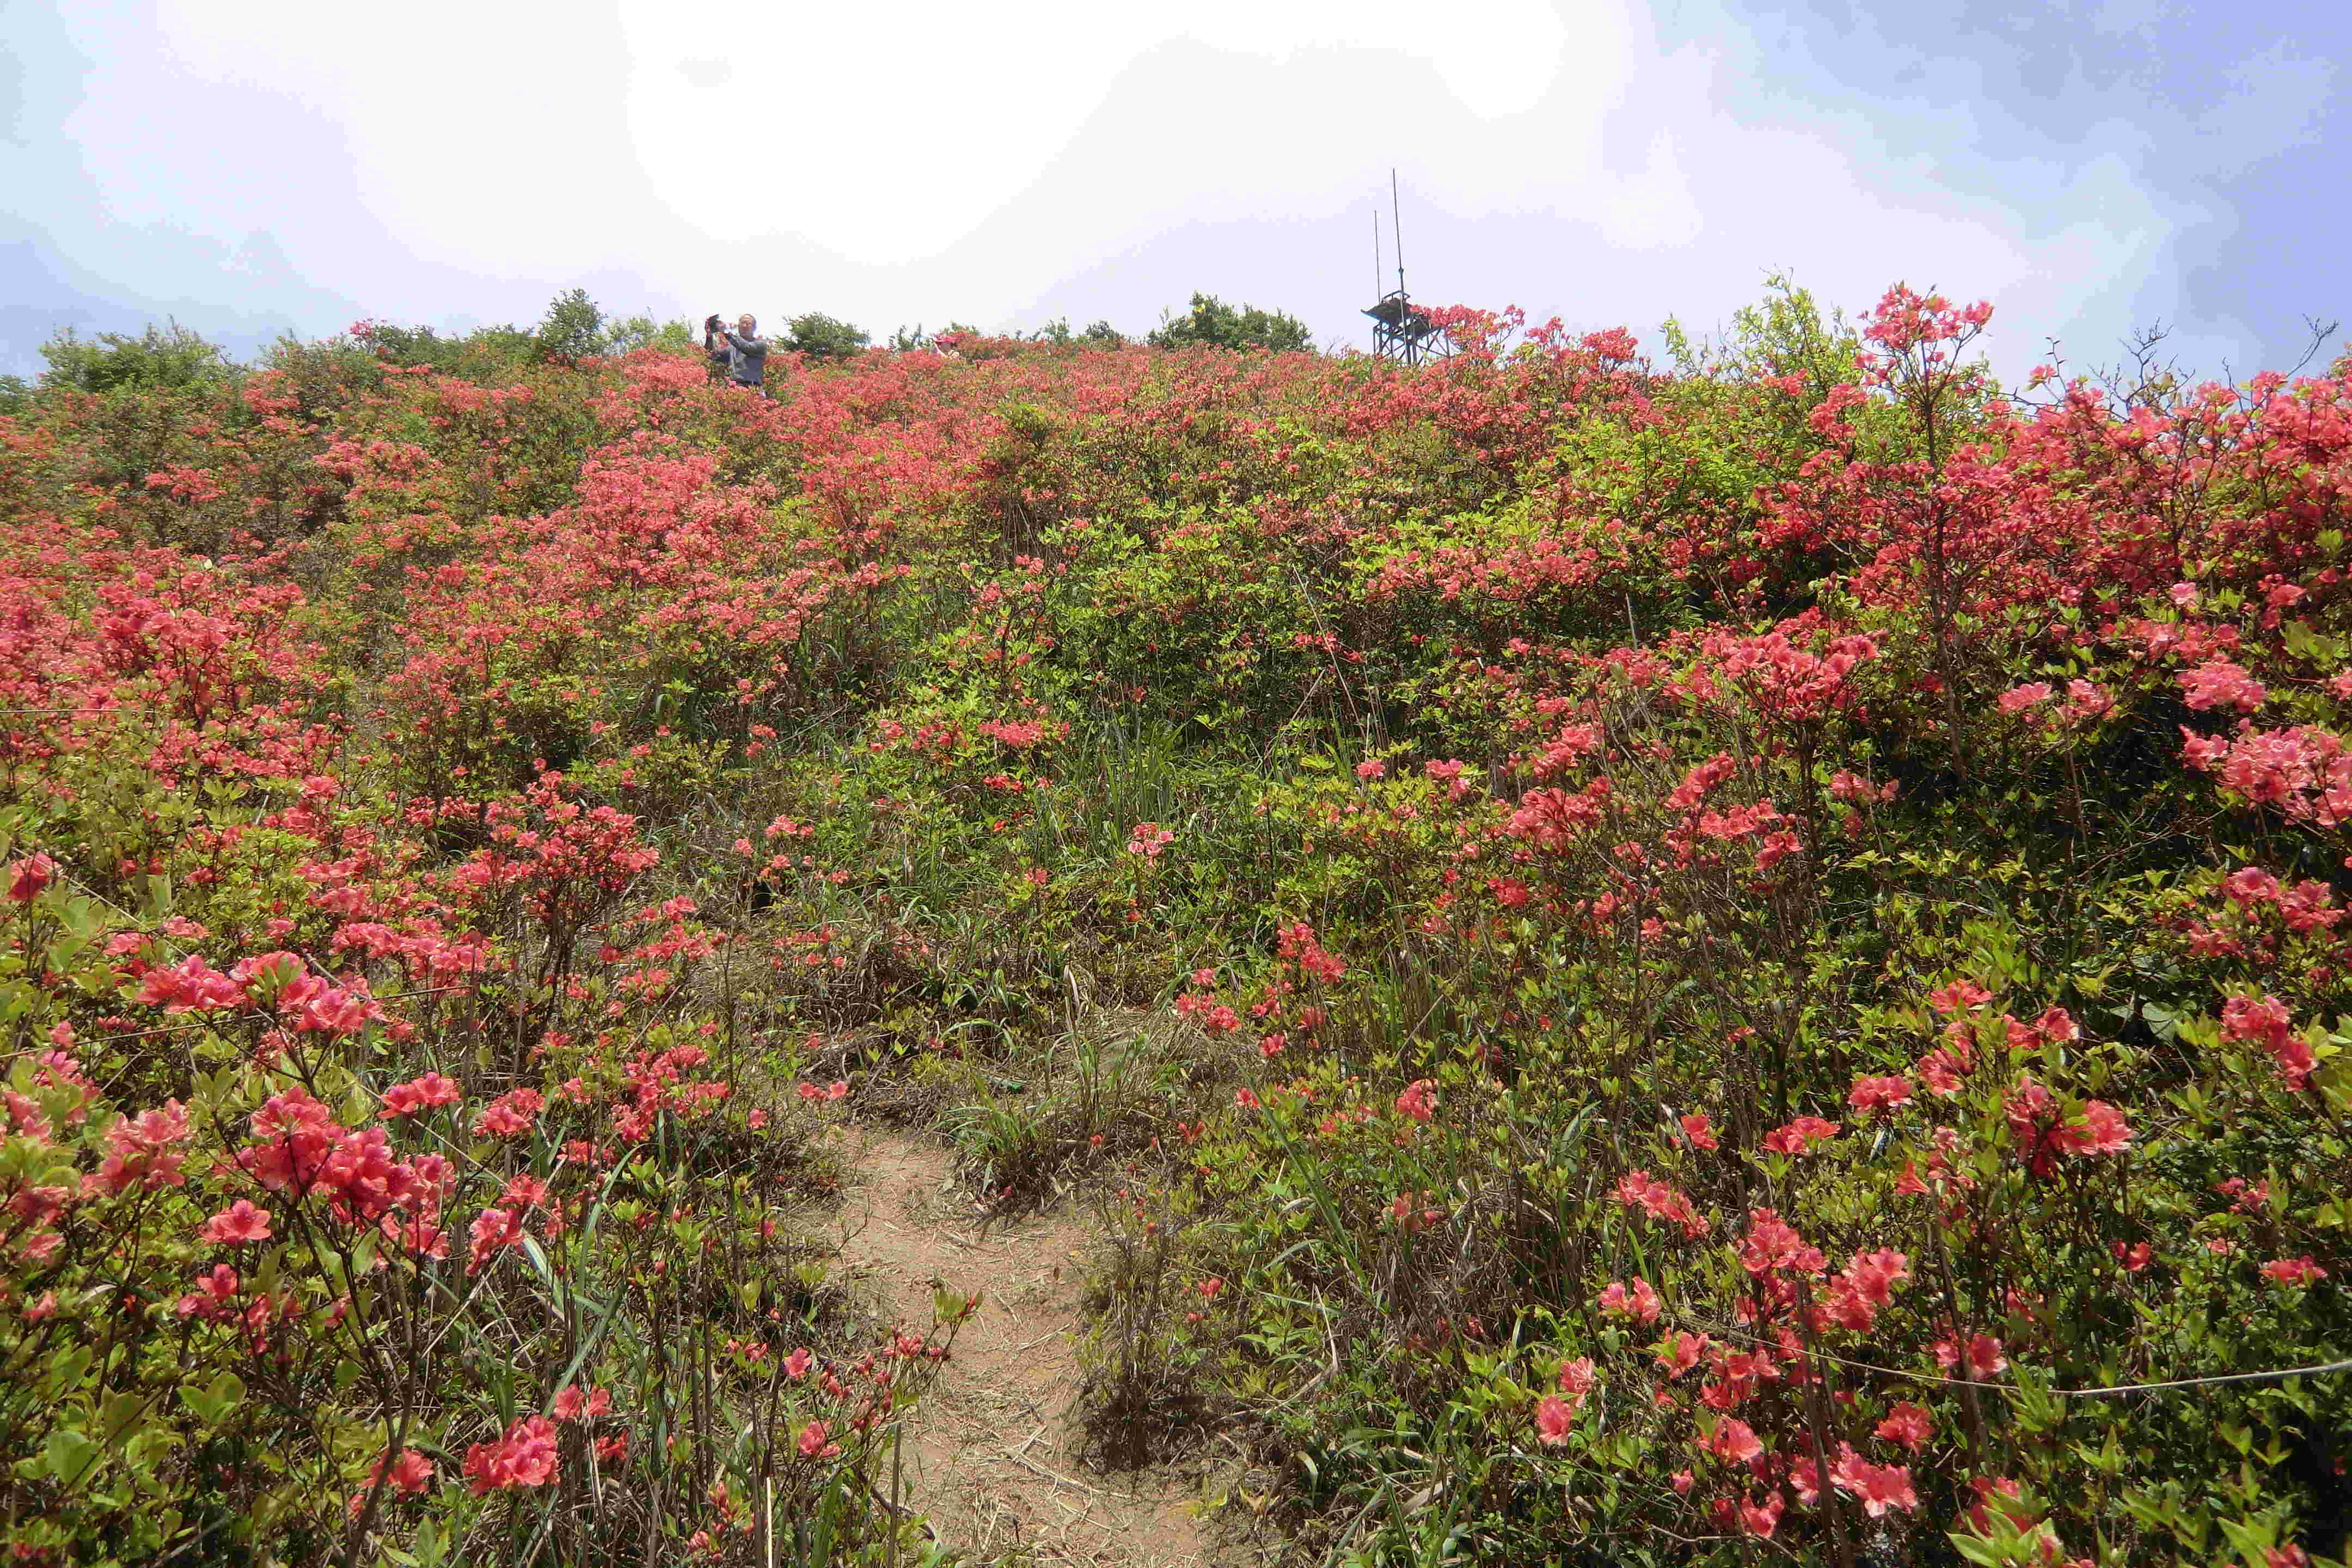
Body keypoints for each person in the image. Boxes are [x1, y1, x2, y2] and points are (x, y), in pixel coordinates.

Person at [715, 314, 769, 394]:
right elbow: (712, 355)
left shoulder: (761, 345)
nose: (744, 326)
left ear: (754, 328)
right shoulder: (733, 348)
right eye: (742, 323)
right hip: (735, 389)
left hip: (753, 390)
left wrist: (726, 332)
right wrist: (709, 336)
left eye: (748, 324)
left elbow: (746, 347)